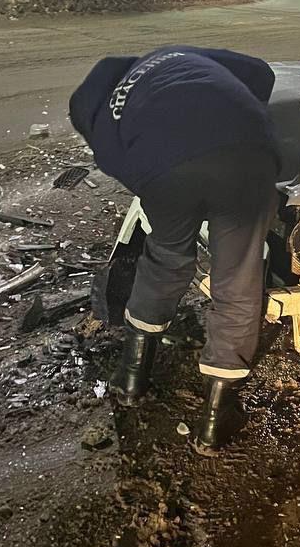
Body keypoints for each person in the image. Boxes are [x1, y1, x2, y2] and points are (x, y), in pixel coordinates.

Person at [69, 46, 280, 455]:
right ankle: (215, 421)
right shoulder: (169, 56)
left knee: (165, 257)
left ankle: (132, 376)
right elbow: (260, 71)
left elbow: (134, 177)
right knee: (237, 278)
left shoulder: (106, 135)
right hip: (247, 155)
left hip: (168, 171)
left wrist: (181, 192)